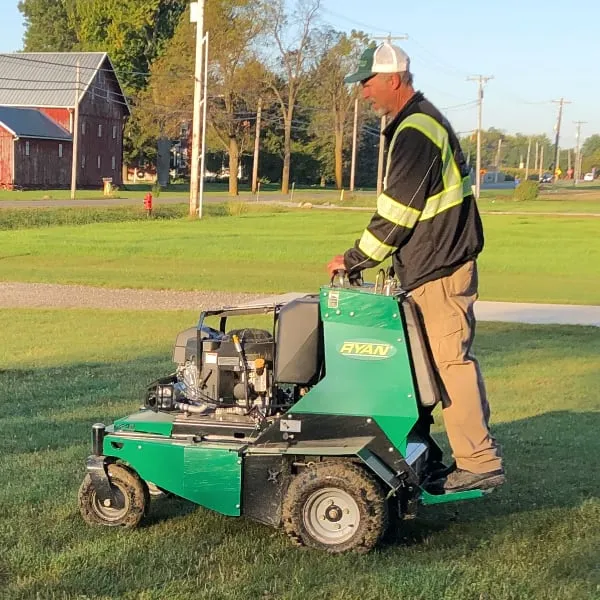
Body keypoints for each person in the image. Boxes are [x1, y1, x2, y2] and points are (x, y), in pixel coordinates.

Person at [327, 42, 504, 493]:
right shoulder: (415, 124)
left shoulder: (416, 130)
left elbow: (397, 212)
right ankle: (422, 452)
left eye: (367, 83)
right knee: (423, 367)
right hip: (431, 264)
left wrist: (354, 259)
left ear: (393, 79)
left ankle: (479, 461)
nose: (364, 93)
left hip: (440, 267)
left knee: (450, 364)